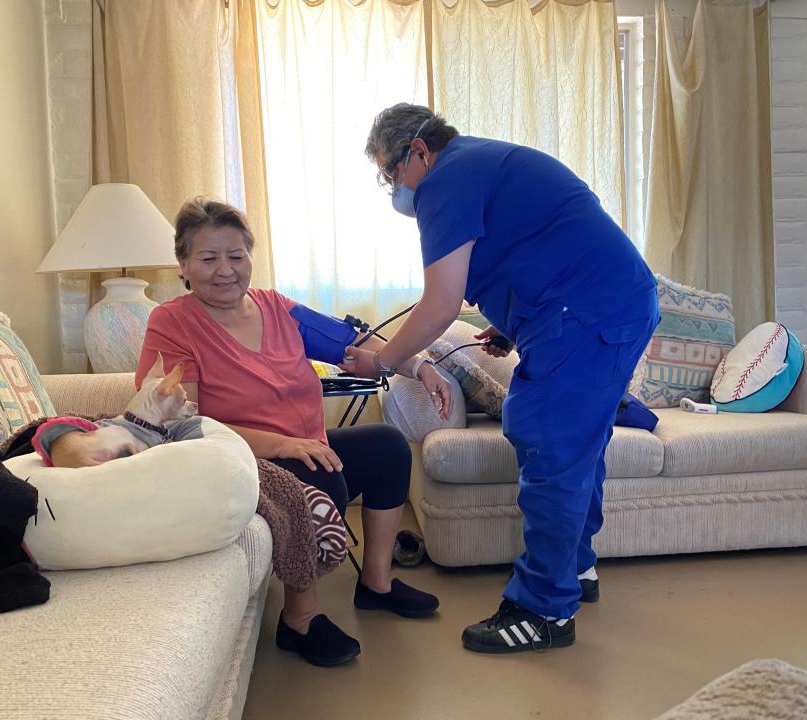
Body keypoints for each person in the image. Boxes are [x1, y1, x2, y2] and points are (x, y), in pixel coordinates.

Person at [342, 103, 659, 655]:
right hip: (606, 306)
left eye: (389, 174)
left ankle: (543, 611)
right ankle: (574, 572)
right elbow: (546, 242)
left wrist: (384, 361)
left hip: (586, 315)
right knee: (578, 447)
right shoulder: (480, 161)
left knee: (549, 444)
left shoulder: (445, 180)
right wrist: (510, 326)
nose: (392, 188)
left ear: (418, 151)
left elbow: (440, 304)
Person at [133, 199, 444, 667]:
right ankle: (299, 619)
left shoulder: (276, 307)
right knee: (317, 470)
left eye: (236, 256)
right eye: (208, 258)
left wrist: (420, 366)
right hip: (237, 458)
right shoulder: (172, 322)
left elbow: (352, 343)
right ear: (183, 265)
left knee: (388, 447)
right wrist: (281, 445)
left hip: (301, 446)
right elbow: (186, 422)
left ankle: (376, 584)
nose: (225, 270)